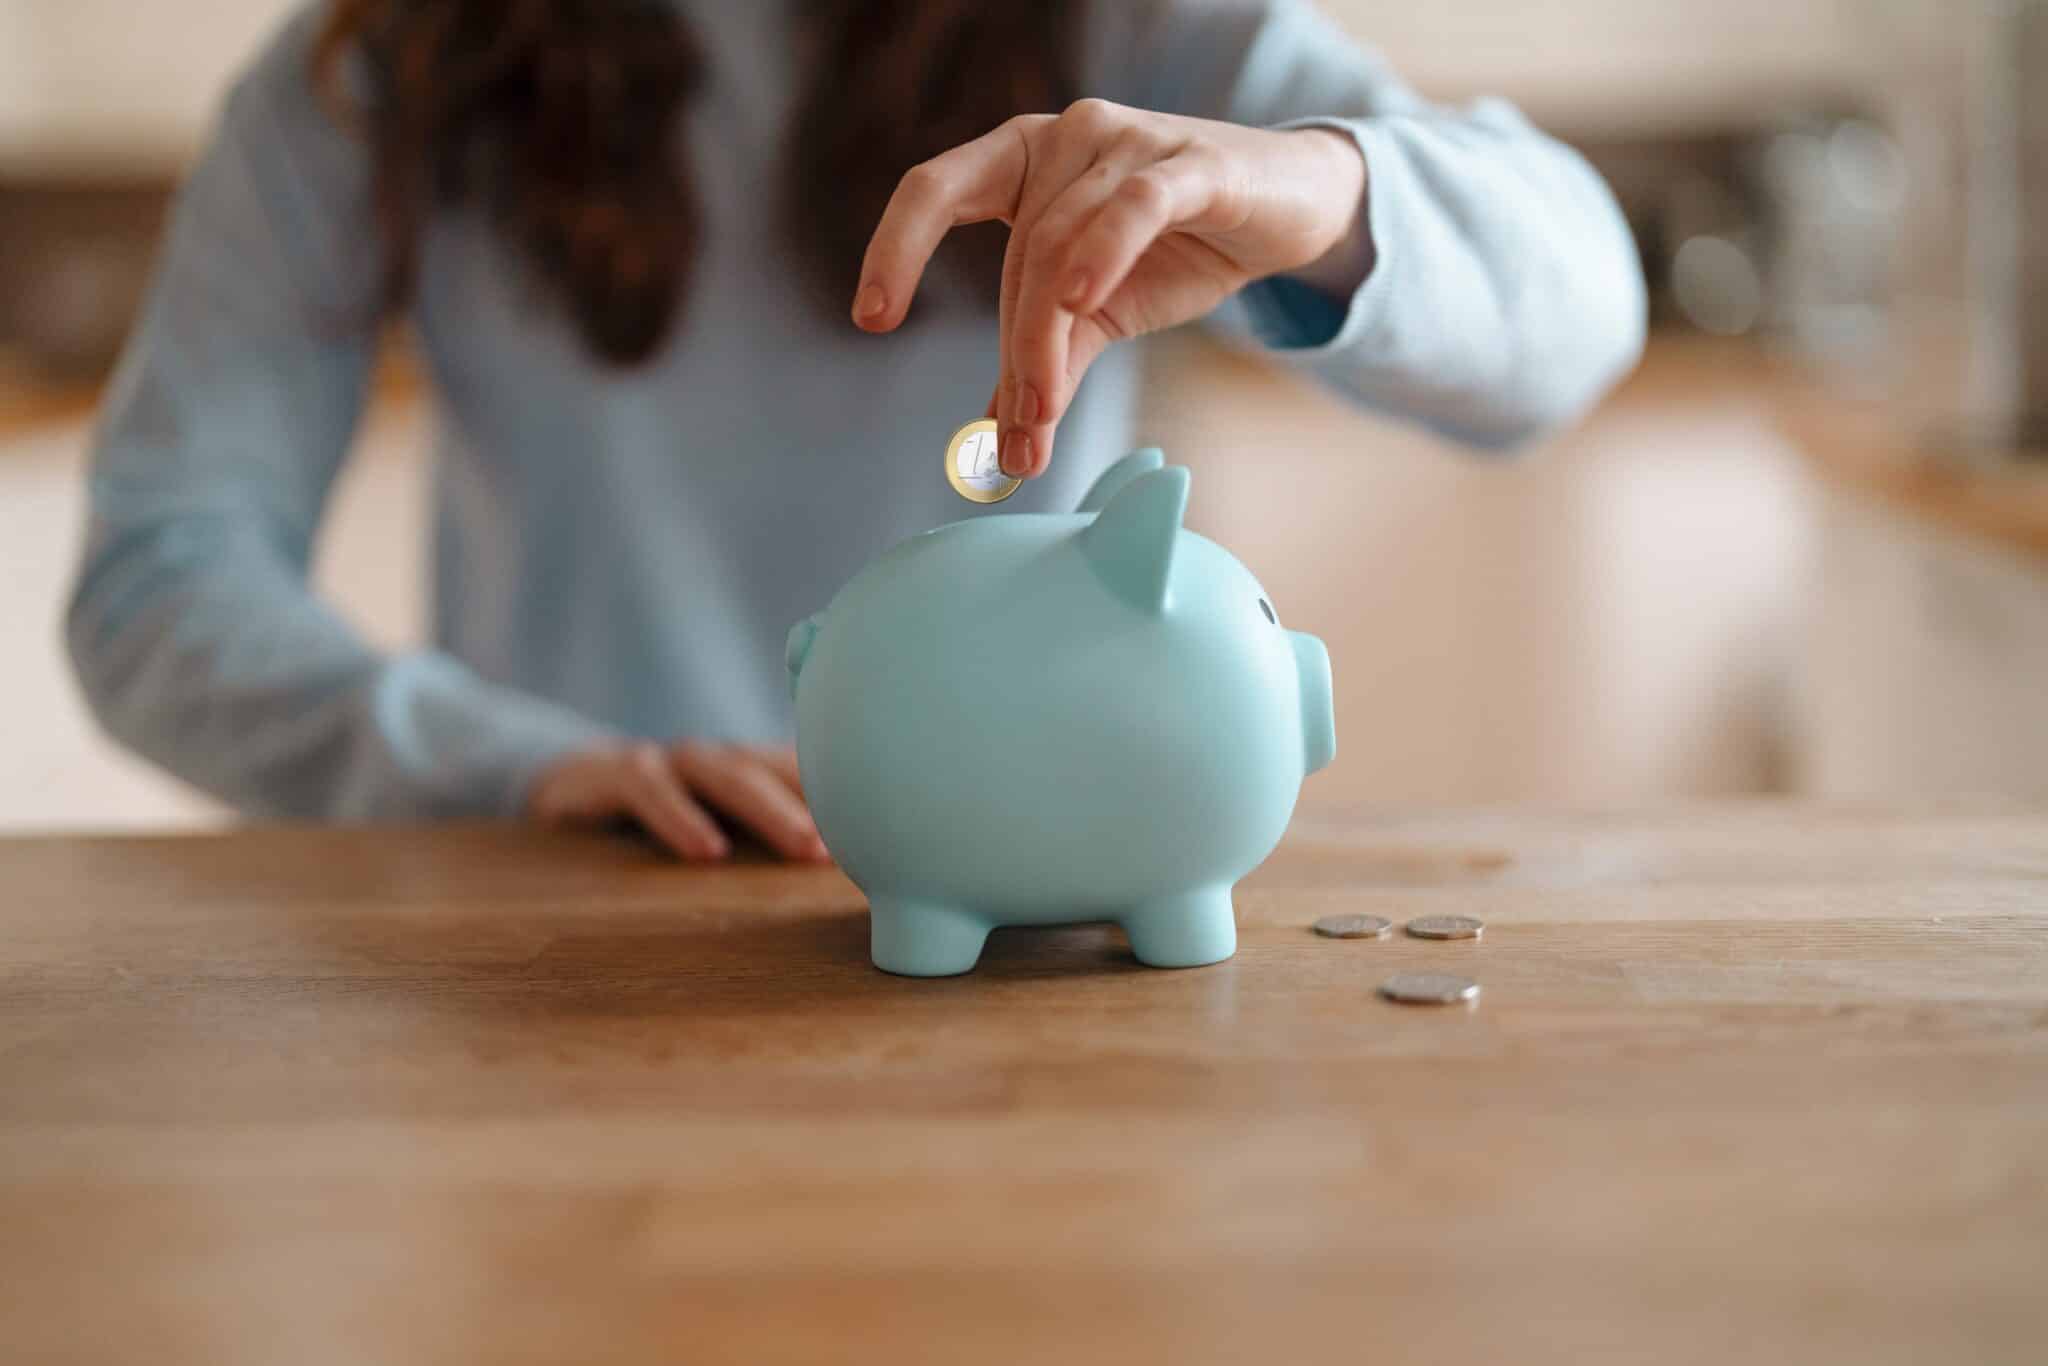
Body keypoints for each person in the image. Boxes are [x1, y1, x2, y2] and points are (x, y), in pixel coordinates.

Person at [66, 0, 1645, 860]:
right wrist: (510, 770)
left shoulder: (1128, 32)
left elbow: (1577, 315)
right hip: (573, 940)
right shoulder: (377, 73)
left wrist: (1329, 190)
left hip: (1037, 947)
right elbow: (157, 586)